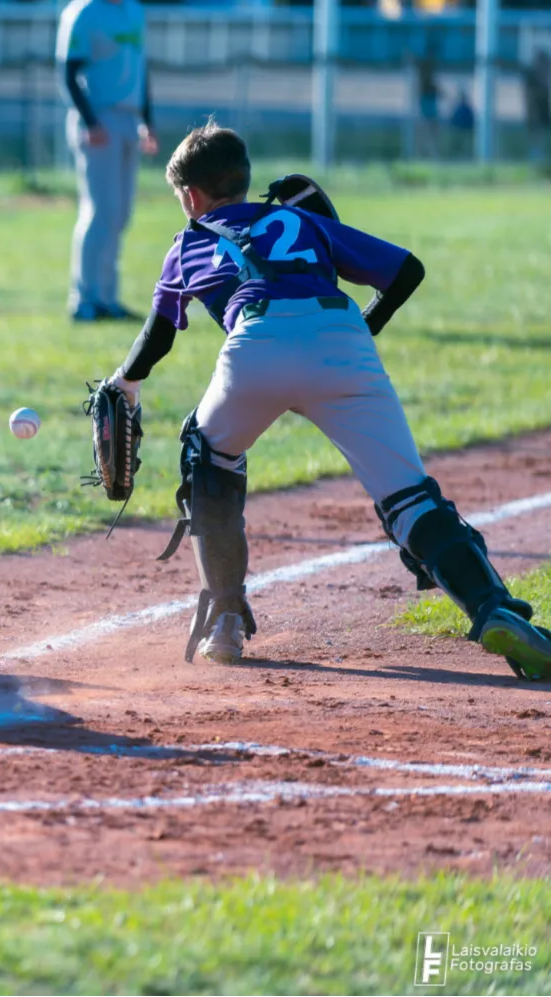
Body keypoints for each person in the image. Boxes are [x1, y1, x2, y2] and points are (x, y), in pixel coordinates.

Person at [97, 122, 551, 680]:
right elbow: (407, 270)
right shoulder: (300, 220)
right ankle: (493, 609)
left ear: (190, 197)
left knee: (207, 455)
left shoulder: (190, 239)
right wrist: (361, 330)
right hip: (344, 340)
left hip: (255, 348)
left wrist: (125, 383)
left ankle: (226, 619)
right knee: (409, 496)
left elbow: (158, 336)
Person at [56, 0, 159, 323]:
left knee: (120, 214)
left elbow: (141, 71)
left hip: (129, 121)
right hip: (98, 119)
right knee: (99, 211)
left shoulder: (133, 11)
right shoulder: (83, 12)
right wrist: (90, 122)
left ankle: (107, 298)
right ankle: (83, 300)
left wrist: (147, 121)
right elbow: (69, 72)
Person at [413, 50, 441, 160]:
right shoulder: (426, 83)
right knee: (428, 130)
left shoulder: (427, 84)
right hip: (427, 105)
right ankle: (426, 153)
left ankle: (428, 152)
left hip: (427, 105)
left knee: (429, 130)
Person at [525, 50, 550, 168]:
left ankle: (541, 156)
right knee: (536, 133)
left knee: (542, 133)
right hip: (535, 113)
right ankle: (536, 156)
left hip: (543, 112)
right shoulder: (532, 78)